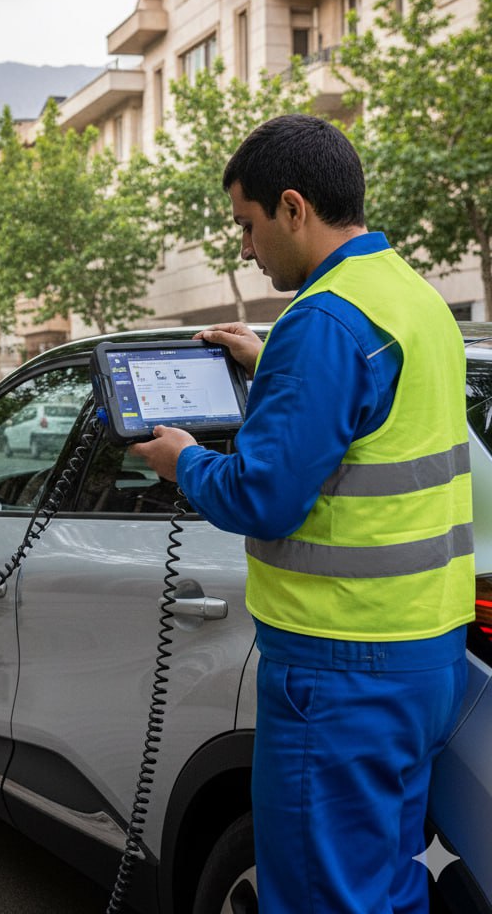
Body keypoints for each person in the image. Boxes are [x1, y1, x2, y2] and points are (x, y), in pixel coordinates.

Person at [131, 114, 474, 914]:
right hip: (425, 651)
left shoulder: (320, 323)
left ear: (293, 208)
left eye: (247, 226)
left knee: (323, 896)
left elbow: (265, 497)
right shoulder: (410, 298)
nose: (245, 249)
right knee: (384, 884)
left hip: (340, 666)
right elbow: (369, 417)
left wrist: (183, 460)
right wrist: (270, 356)